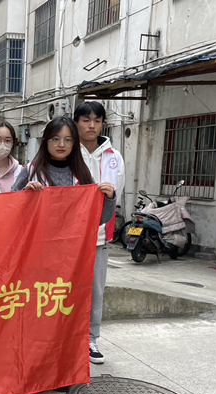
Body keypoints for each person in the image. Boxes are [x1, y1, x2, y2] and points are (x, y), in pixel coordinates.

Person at [13, 117, 115, 369]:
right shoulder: (32, 171)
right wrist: (25, 195)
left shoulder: (82, 174)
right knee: (40, 300)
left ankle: (79, 345)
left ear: (74, 143)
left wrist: (109, 198)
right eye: (56, 139)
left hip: (72, 256)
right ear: (46, 141)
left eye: (68, 140)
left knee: (70, 300)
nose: (61, 144)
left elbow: (99, 218)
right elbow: (10, 210)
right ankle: (35, 348)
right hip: (39, 254)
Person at [74, 101, 125, 365]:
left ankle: (90, 339)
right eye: (86, 120)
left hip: (99, 237)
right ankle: (66, 339)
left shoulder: (114, 157)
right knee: (64, 290)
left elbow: (116, 196)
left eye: (97, 120)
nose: (91, 125)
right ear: (76, 123)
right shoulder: (67, 152)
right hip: (69, 239)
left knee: (95, 292)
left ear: (103, 123)